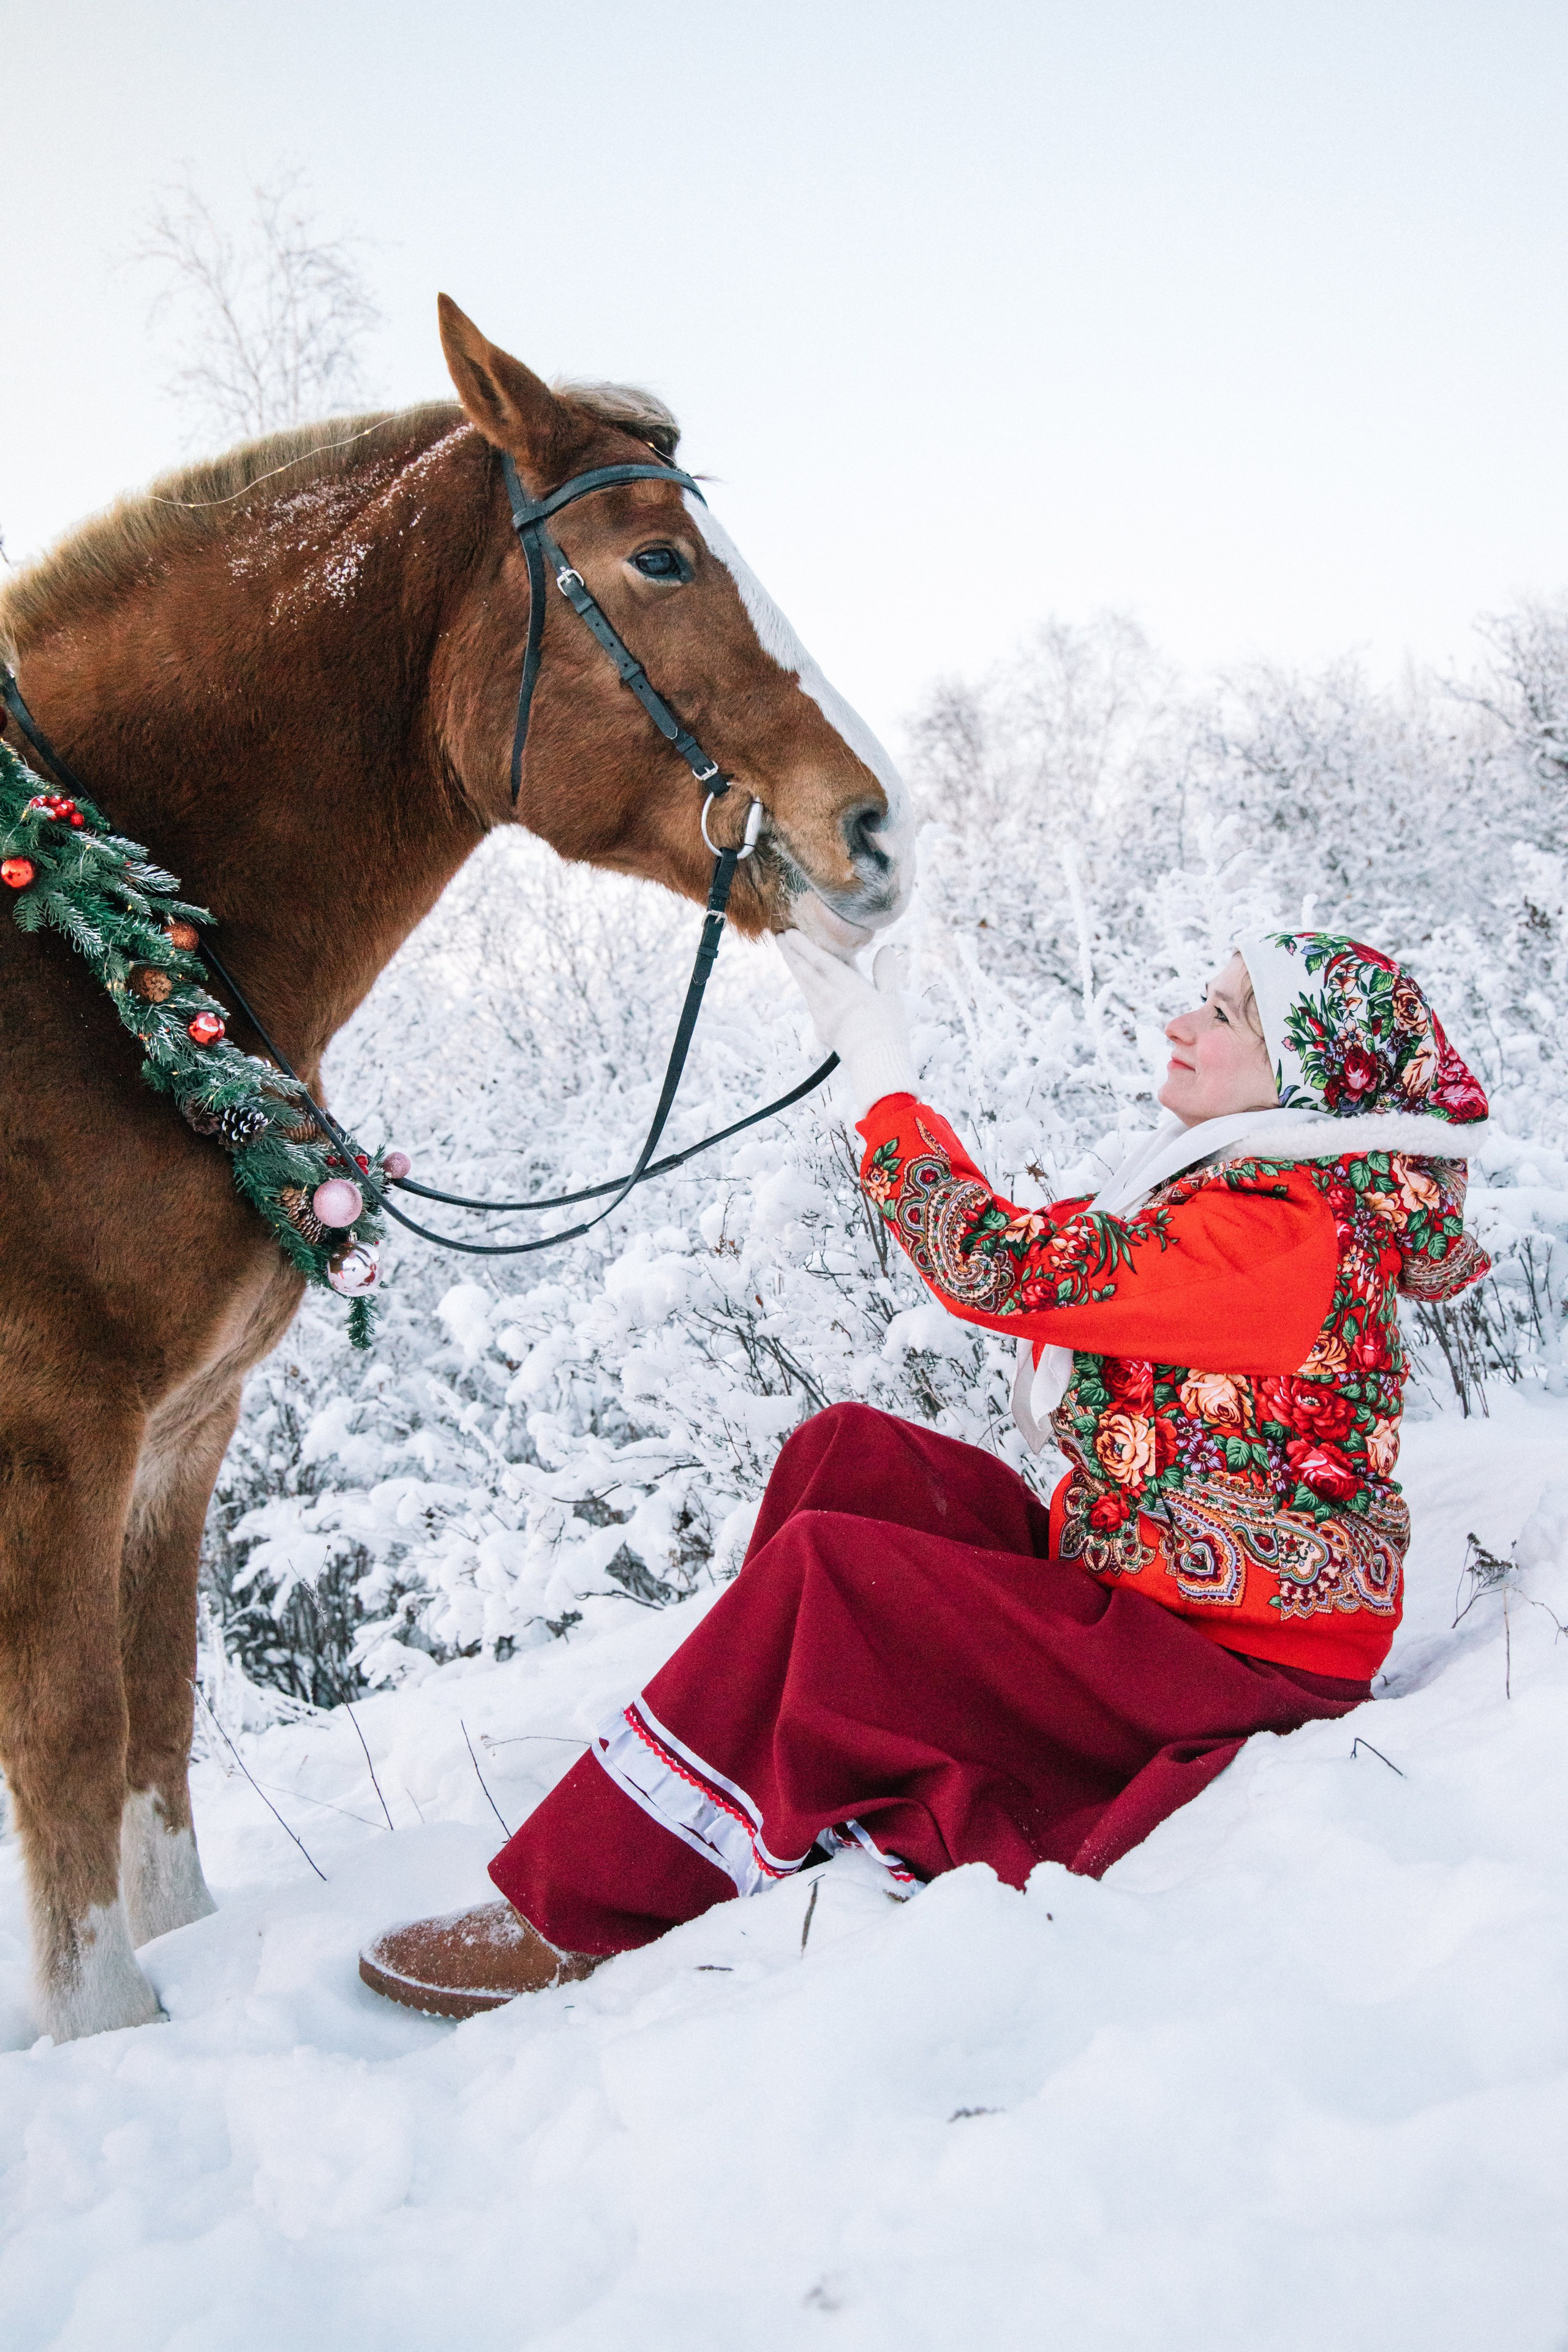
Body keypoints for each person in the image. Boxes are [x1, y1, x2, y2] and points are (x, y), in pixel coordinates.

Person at [360, 929, 1491, 2018]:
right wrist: (885, 1093)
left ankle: (585, 1909)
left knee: (833, 1574)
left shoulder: (1282, 1237)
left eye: (1227, 1011)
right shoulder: (1251, 1197)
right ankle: (754, 1793)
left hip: (1218, 1669)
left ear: (1303, 1077)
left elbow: (999, 1269)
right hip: (1145, 1590)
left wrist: (885, 1093)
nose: (1181, 1022)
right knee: (847, 1454)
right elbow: (1043, 1256)